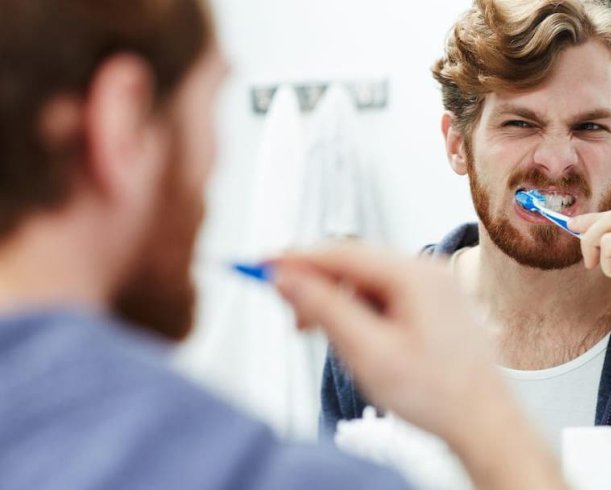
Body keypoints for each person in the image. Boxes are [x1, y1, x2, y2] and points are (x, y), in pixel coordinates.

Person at [0, 0, 567, 488]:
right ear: (124, 122)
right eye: (211, 105)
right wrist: (486, 419)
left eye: (593, 126)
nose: (217, 160)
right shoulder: (238, 474)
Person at [321, 0, 611, 482]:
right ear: (457, 144)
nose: (556, 161)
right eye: (520, 123)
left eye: (590, 127)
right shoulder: (375, 326)